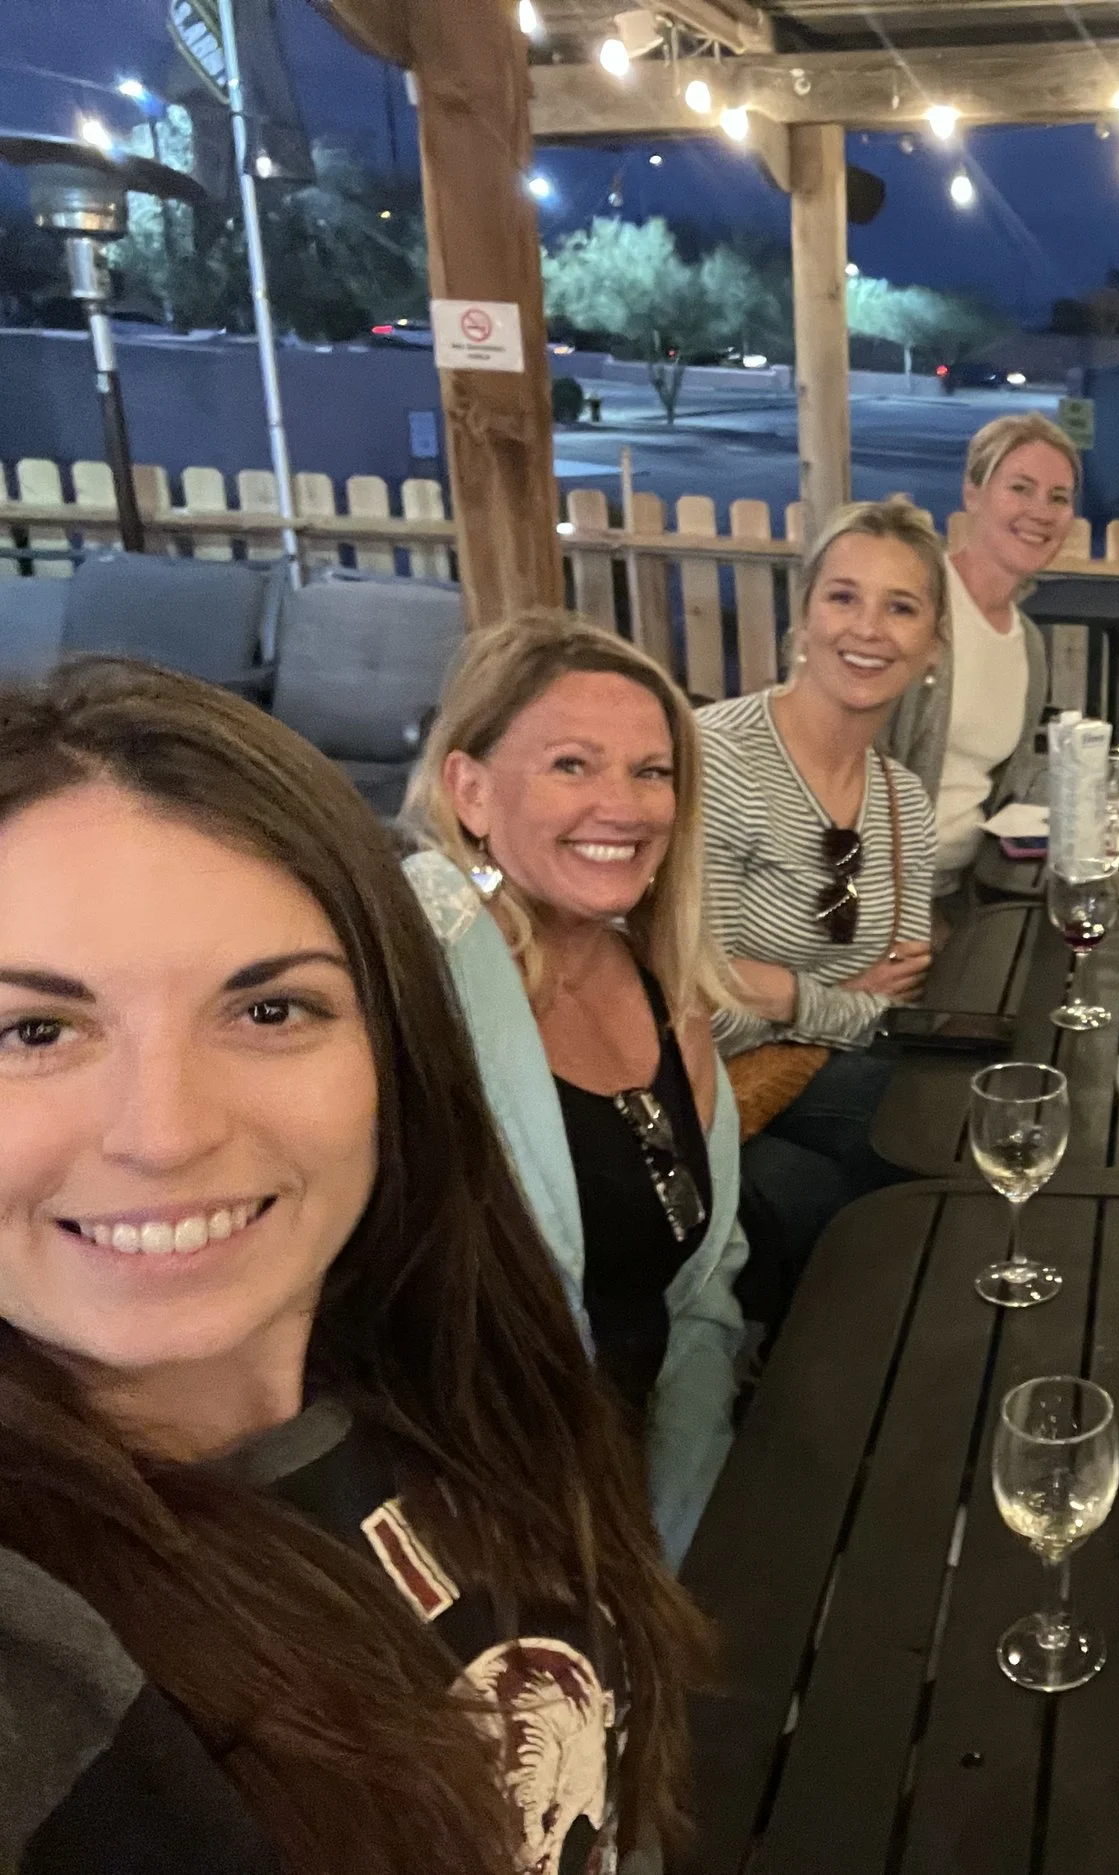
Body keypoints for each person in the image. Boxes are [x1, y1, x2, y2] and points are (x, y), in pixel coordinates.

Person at [0, 659, 708, 1873]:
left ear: (394, 1054)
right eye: (36, 1031)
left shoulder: (456, 1374)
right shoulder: (47, 1671)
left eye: (269, 1010)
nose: (165, 1132)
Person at [401, 612, 752, 1568]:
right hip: (490, 1507)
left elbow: (704, 1289)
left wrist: (681, 1524)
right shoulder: (419, 987)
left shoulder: (662, 980)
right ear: (468, 788)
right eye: (572, 764)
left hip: (659, 1463)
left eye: (652, 771)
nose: (625, 806)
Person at [699, 498, 940, 1325]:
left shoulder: (903, 799)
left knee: (940, 1131)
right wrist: (832, 999)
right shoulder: (718, 759)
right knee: (844, 1193)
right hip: (701, 1090)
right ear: (803, 617)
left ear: (932, 644)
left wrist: (790, 998)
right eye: (843, 597)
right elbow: (696, 1002)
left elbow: (897, 993)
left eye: (900, 607)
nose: (867, 629)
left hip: (812, 1075)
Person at [880, 412, 1072, 900]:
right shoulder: (916, 603)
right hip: (881, 897)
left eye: (1058, 498)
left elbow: (996, 789)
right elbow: (844, 774)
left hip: (969, 888)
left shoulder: (1026, 642)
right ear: (972, 493)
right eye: (1020, 488)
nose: (1041, 511)